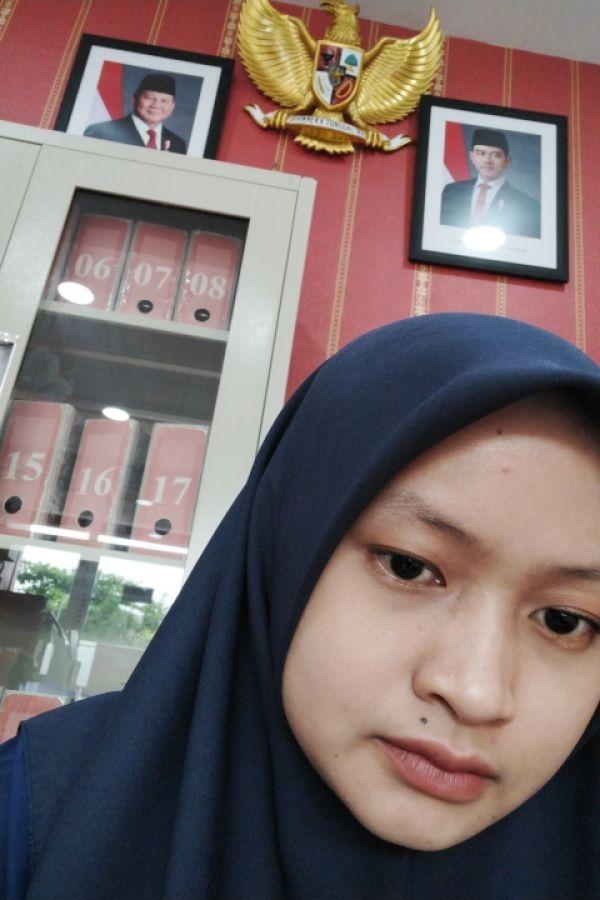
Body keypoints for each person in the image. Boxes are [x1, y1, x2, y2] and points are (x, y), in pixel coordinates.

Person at [1, 313, 599, 898]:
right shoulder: (30, 809)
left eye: (565, 620)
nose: (476, 693)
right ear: (285, 550)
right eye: (408, 566)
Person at [441, 128, 541, 238]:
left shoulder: (528, 206)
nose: (487, 161)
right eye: (481, 153)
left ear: (507, 161)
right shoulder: (451, 191)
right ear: (472, 157)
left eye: (496, 155)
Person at [83, 73, 187, 154]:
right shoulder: (100, 132)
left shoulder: (178, 144)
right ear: (134, 99)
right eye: (150, 98)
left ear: (172, 106)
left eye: (164, 101)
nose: (156, 105)